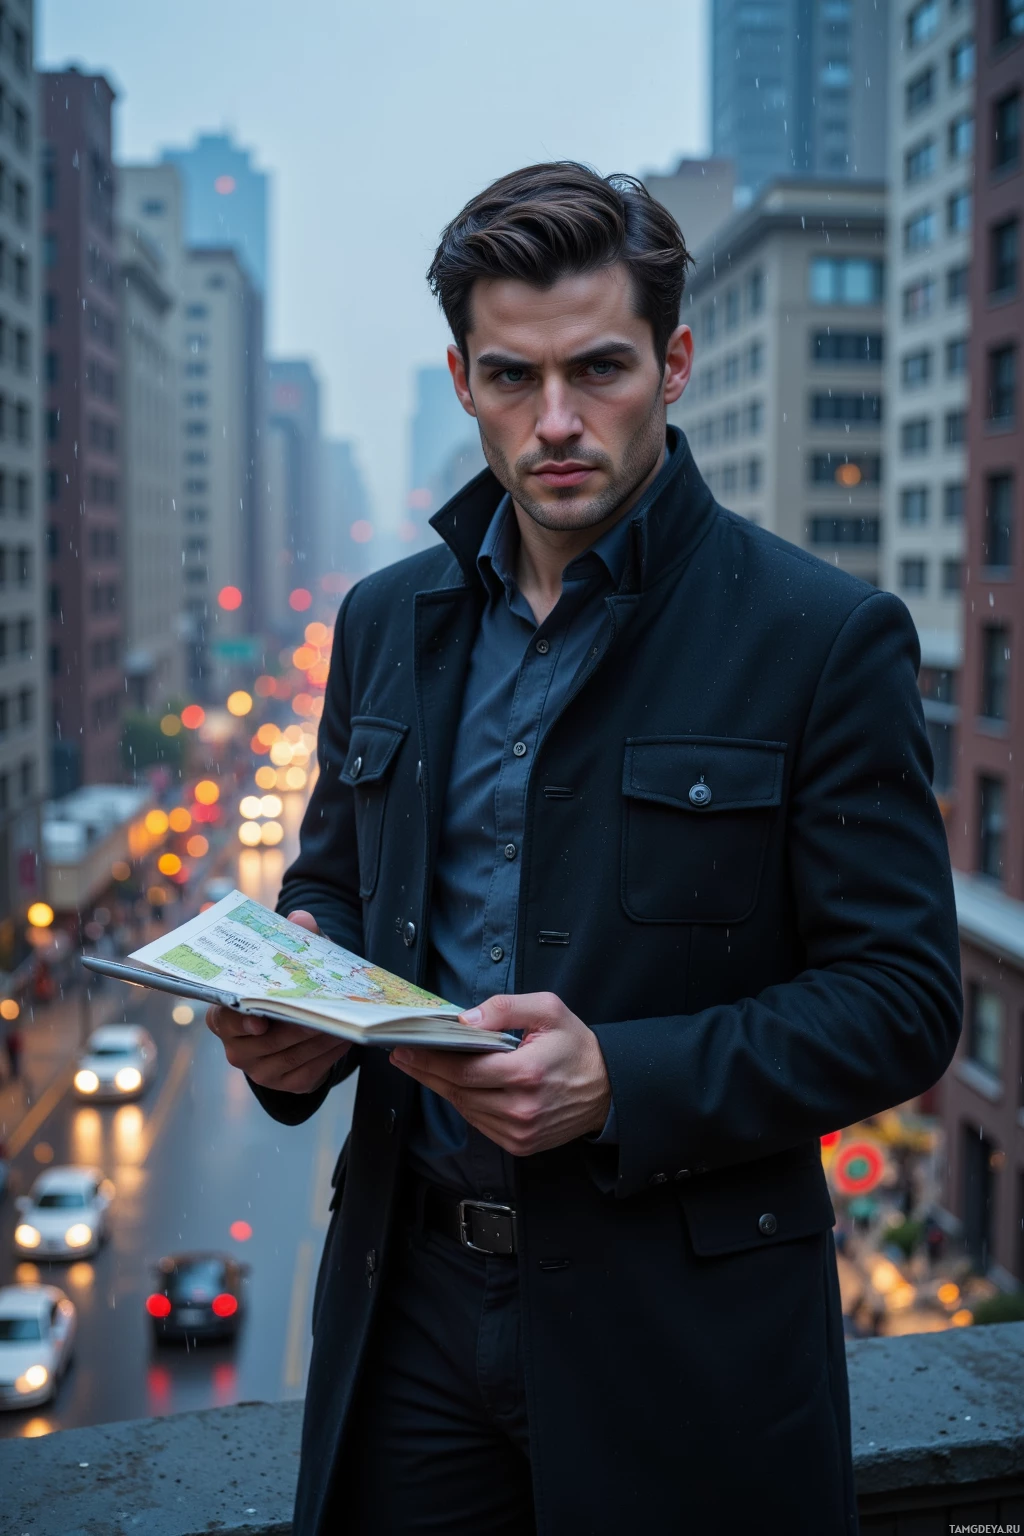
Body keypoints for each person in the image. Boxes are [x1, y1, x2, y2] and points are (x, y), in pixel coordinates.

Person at [207, 163, 962, 1535]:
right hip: (410, 1310)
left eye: (599, 369)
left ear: (673, 363)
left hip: (686, 1339)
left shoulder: (821, 639)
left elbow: (905, 1005)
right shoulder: (384, 623)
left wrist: (622, 1080)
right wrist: (298, 996)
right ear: (461, 380)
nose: (556, 422)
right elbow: (333, 879)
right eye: (512, 377)